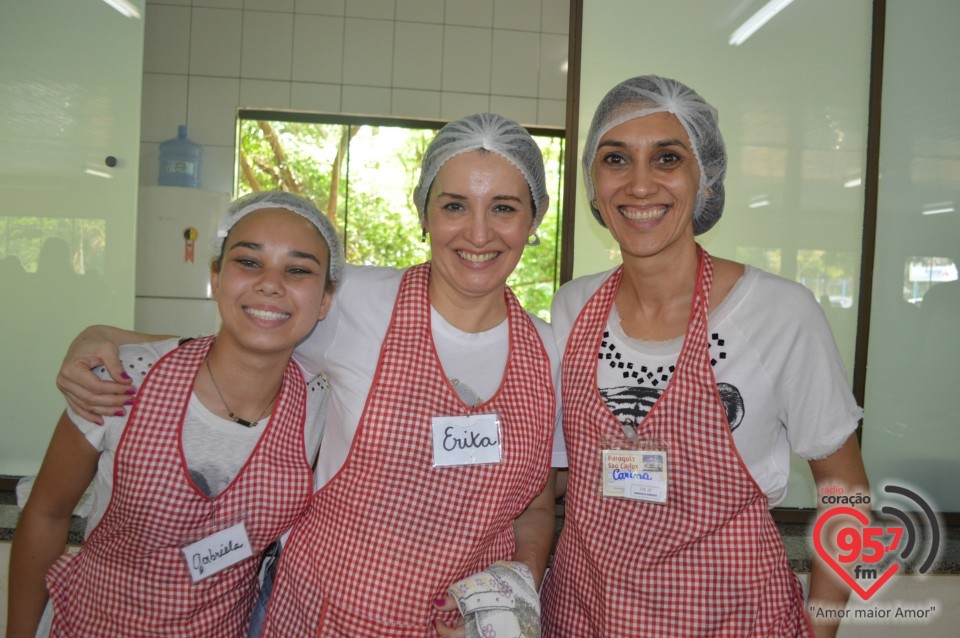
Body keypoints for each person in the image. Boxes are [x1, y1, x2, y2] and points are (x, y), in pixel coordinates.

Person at [52, 113, 562, 638]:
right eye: (454, 205)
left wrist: (513, 588)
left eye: (503, 208)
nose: (478, 233)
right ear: (424, 213)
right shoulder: (356, 303)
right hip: (322, 615)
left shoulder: (548, 349)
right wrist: (102, 335)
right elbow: (246, 331)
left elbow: (536, 508)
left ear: (534, 218)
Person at [539, 76, 869, 638]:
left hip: (735, 620)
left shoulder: (780, 313)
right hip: (586, 616)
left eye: (667, 158)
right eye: (616, 159)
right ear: (594, 186)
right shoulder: (574, 306)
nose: (639, 185)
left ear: (705, 179)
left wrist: (822, 628)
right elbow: (563, 475)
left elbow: (850, 493)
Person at [8, 191, 343, 637]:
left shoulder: (321, 404)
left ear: (324, 300)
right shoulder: (124, 379)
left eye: (298, 270)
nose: (270, 283)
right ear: (216, 277)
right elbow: (46, 515)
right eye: (248, 262)